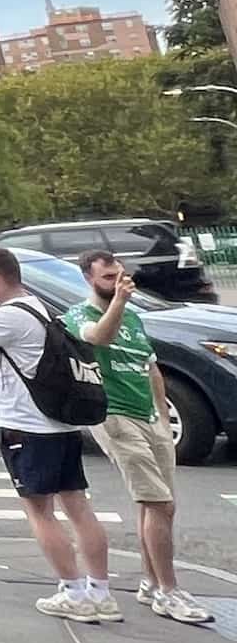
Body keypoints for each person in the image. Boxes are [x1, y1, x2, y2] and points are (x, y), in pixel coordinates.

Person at [0, 246, 116, 622]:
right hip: (61, 422)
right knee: (77, 504)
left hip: (26, 424)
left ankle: (73, 591)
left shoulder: (8, 315)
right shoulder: (36, 305)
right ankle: (100, 591)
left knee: (39, 511)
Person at [69, 250, 210, 623]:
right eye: (107, 279)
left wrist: (163, 417)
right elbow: (100, 336)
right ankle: (169, 590)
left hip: (149, 416)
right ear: (89, 279)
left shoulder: (133, 317)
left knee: (160, 505)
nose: (117, 283)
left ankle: (151, 582)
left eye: (119, 275)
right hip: (115, 416)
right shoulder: (79, 315)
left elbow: (150, 366)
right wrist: (118, 301)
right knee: (157, 503)